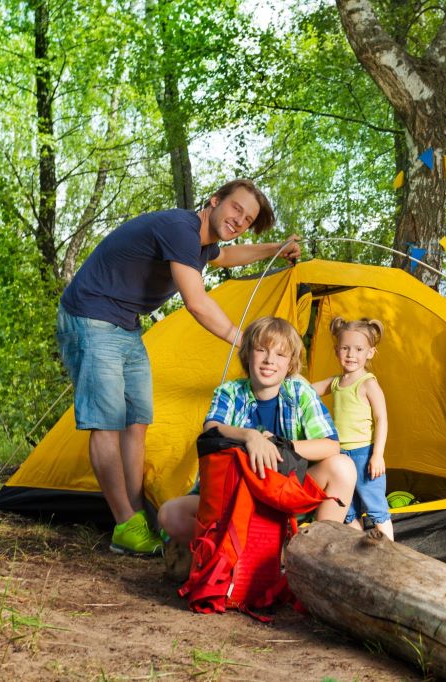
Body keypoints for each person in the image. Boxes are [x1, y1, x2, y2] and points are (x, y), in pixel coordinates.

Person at [56, 179, 302, 556]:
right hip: (91, 315)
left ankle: (139, 517)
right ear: (215, 200)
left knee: (136, 422)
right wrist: (248, 341)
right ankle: (125, 524)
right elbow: (197, 302)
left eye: (248, 219)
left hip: (125, 324)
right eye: (236, 209)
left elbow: (226, 258)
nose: (240, 220)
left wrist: (276, 248)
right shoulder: (180, 228)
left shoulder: (201, 246)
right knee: (106, 424)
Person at [157, 316, 357, 546]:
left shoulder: (299, 391)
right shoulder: (230, 392)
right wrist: (250, 436)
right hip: (235, 496)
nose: (269, 360)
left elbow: (331, 444)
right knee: (170, 514)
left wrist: (281, 444)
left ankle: (314, 551)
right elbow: (210, 430)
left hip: (287, 492)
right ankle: (239, 553)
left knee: (343, 466)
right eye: (261, 350)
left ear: (290, 363)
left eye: (280, 354)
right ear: (248, 353)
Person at [311, 317, 393, 540]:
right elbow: (308, 390)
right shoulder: (336, 382)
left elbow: (381, 419)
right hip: (339, 455)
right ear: (337, 350)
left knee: (375, 506)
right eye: (345, 348)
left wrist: (377, 455)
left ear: (370, 353)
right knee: (347, 511)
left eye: (358, 349)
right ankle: (360, 550)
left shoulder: (368, 383)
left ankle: (390, 554)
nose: (351, 354)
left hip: (363, 455)